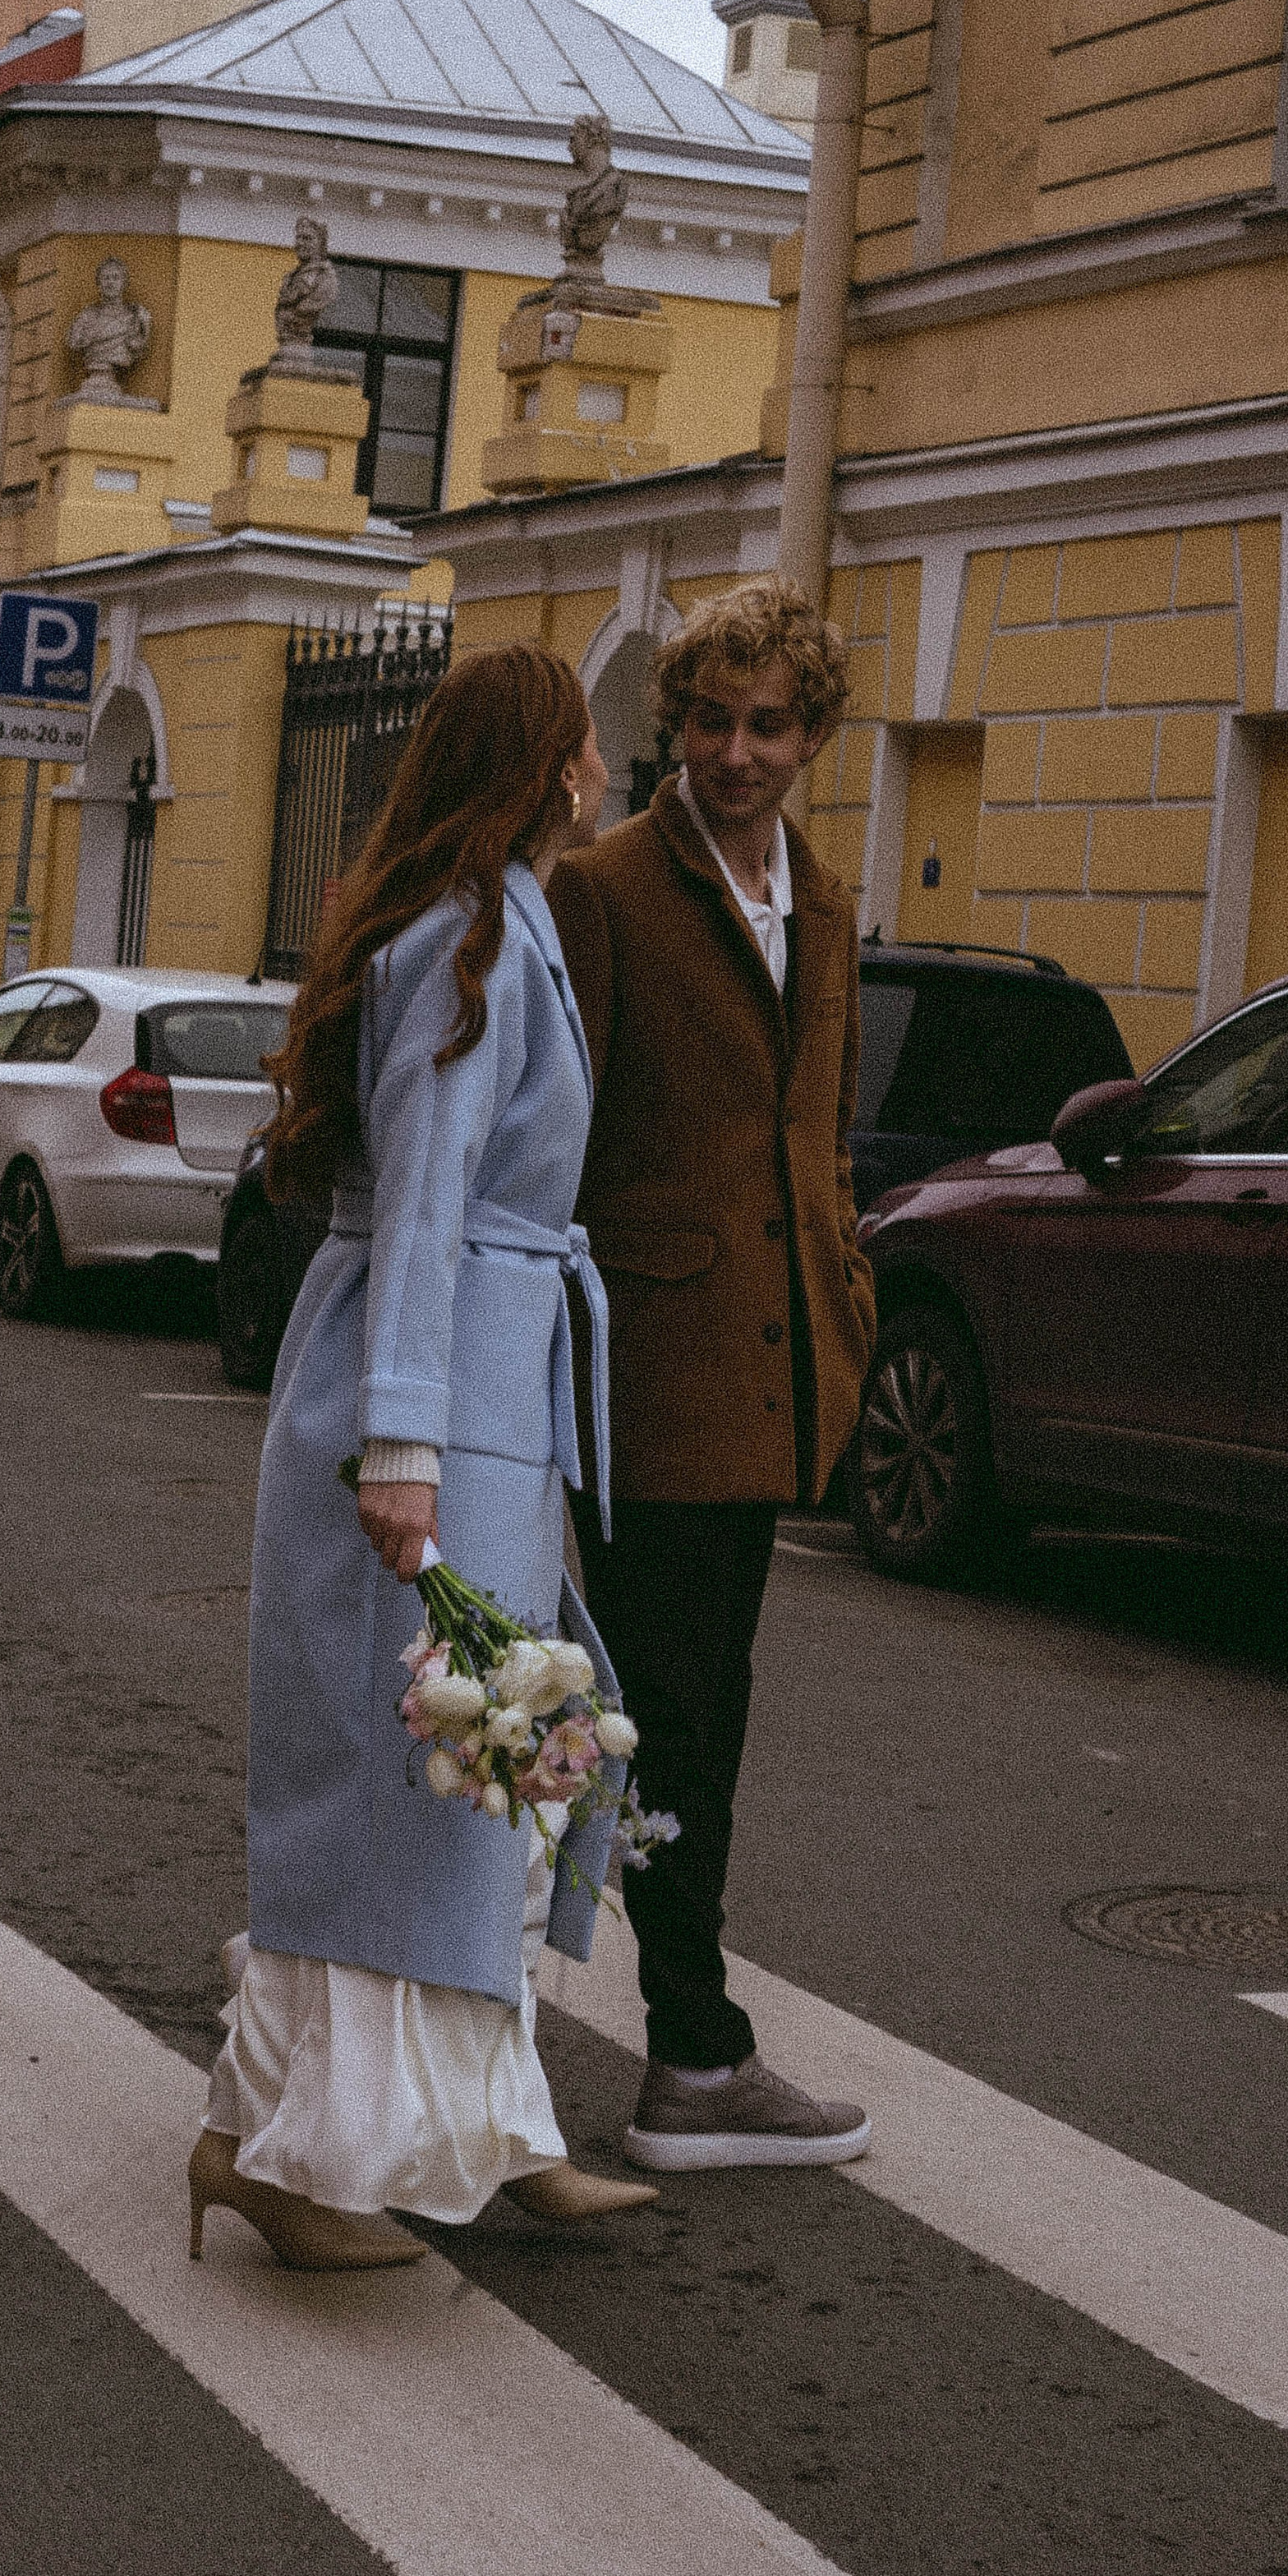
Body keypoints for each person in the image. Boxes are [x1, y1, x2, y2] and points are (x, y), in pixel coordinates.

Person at [190, 644, 657, 2272]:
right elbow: (433, 1198)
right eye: (588, 747)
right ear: (539, 765)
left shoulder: (493, 914)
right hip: (435, 1402)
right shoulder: (459, 934)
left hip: (485, 1393)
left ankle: (469, 2119)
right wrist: (400, 1447)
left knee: (479, 1775)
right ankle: (311, 2161)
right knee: (426, 1780)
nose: (606, 770)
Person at [550, 577, 876, 2173]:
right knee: (652, 1718)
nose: (735, 752)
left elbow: (812, 1138)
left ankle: (683, 2036)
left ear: (810, 735)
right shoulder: (602, 889)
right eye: (709, 720)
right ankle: (691, 2048)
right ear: (672, 721)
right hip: (646, 1375)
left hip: (775, 1379)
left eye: (767, 725)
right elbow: (553, 1143)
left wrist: (848, 1302)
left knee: (694, 1719)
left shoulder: (822, 900)